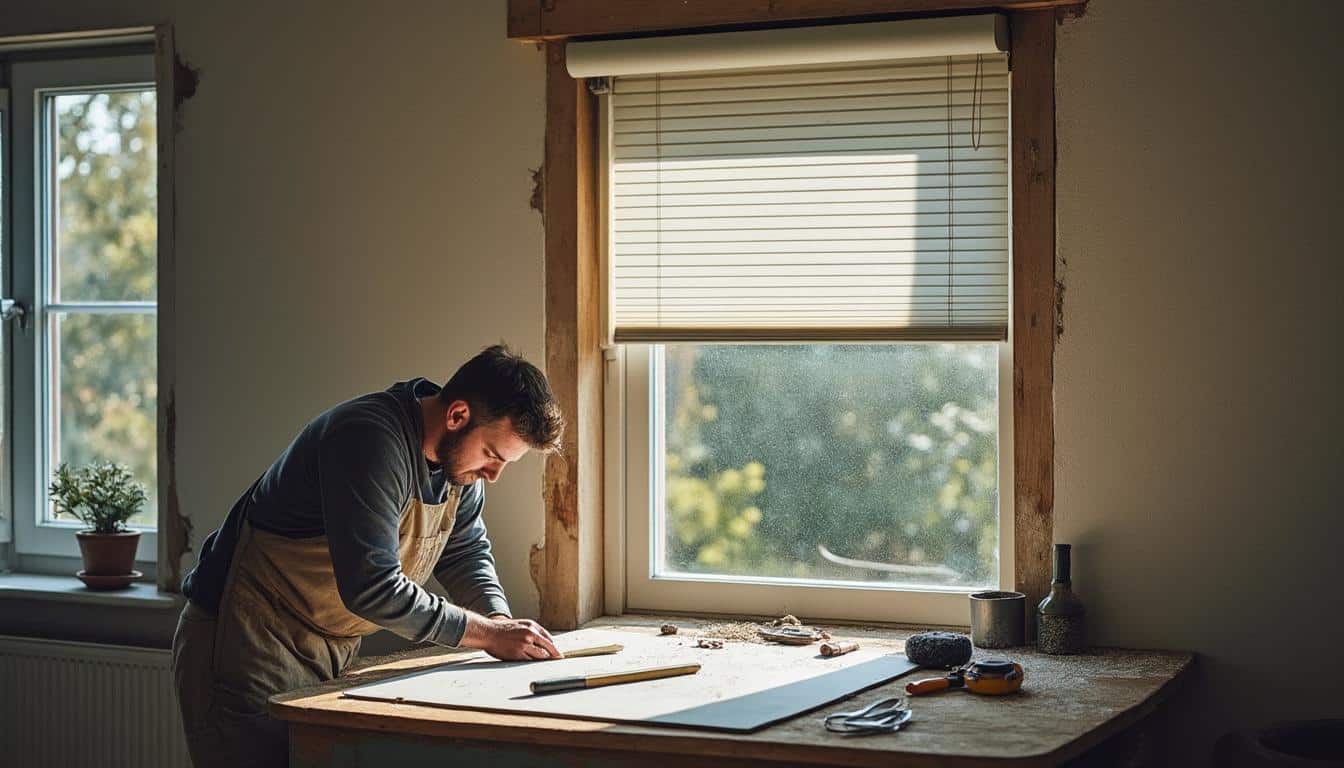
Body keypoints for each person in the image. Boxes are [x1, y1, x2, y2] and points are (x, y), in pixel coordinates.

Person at [171, 344, 565, 767]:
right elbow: (372, 588)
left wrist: (500, 621)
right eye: (491, 454)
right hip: (243, 641)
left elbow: (464, 551)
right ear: (457, 416)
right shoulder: (369, 439)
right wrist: (486, 634)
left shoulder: (459, 470)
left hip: (328, 649)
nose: (494, 475)